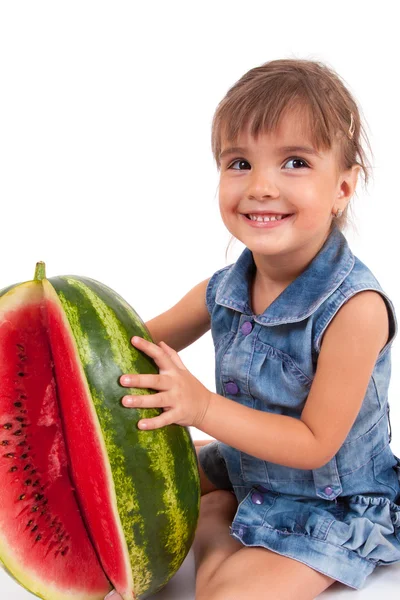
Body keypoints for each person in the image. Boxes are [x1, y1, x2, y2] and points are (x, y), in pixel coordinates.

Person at [105, 59, 400, 600]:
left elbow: (315, 444)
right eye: (239, 162)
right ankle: (219, 499)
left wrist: (200, 408)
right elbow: (128, 347)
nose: (261, 186)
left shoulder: (355, 310)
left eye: (293, 162)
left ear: (343, 185)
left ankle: (214, 527)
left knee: (223, 595)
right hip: (244, 466)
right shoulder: (222, 289)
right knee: (121, 481)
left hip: (329, 503)